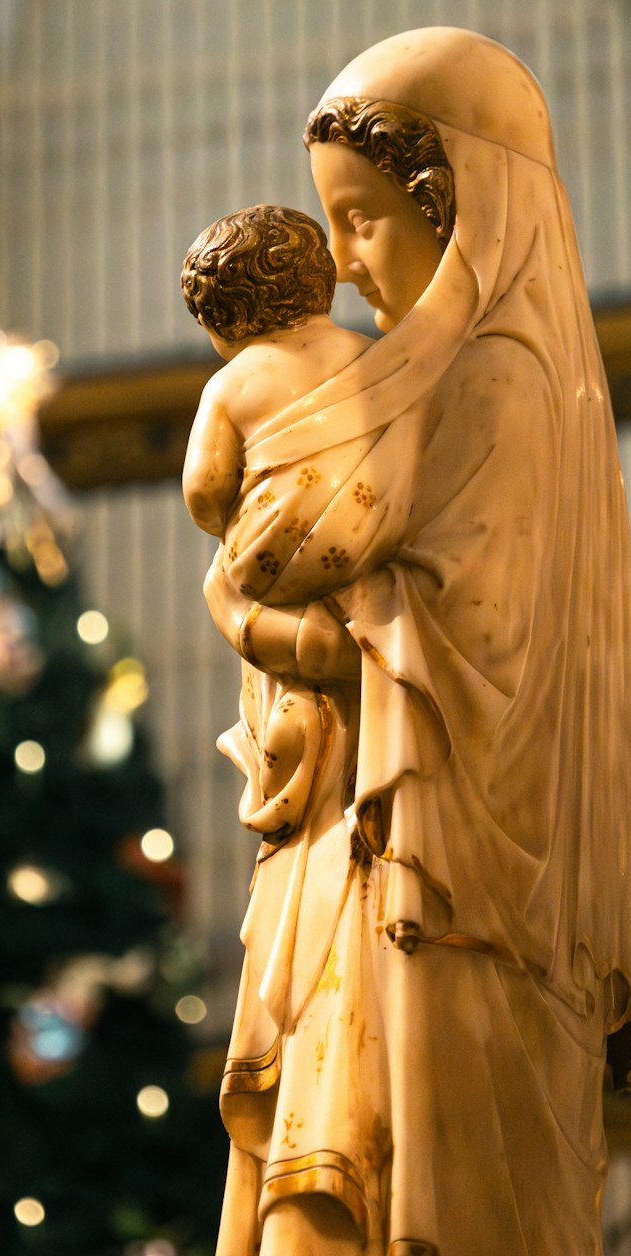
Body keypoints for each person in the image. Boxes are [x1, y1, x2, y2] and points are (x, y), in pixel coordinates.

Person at [192, 27, 631, 1256]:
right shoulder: (429, 377)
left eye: (361, 221)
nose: (341, 268)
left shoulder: (493, 381)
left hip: (442, 884)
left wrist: (246, 611)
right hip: (376, 845)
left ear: (453, 206)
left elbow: (431, 638)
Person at [181, 203, 371, 837]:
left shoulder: (233, 383)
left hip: (272, 565)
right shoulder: (373, 358)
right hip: (371, 547)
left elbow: (205, 493)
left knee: (220, 586)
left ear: (224, 316)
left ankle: (308, 646)